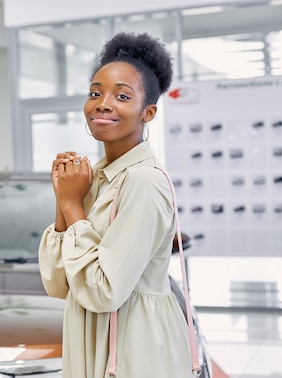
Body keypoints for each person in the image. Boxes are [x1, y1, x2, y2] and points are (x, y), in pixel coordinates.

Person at [38, 32, 194, 377]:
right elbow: (58, 285)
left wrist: (71, 203)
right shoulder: (94, 178)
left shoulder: (144, 181)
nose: (103, 103)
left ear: (148, 112)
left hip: (134, 346)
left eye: (122, 96)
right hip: (95, 339)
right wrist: (66, 200)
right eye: (95, 92)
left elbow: (104, 291)